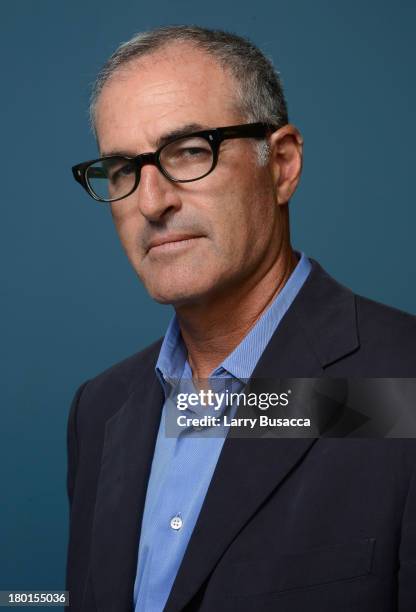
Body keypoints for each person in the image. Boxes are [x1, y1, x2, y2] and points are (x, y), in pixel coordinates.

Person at [67, 25, 416, 612]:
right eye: (124, 168)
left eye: (190, 151)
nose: (152, 202)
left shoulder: (402, 388)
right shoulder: (99, 411)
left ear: (281, 165)